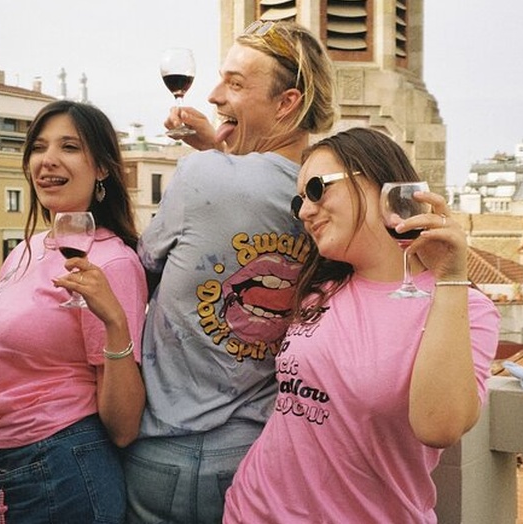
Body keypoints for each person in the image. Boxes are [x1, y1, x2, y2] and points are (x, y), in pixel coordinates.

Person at [222, 127, 501, 523]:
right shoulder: (320, 288)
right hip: (252, 511)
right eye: (298, 200)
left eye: (317, 189)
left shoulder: (465, 307)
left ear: (380, 182)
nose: (304, 211)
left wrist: (450, 277)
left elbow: (439, 427)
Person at [123, 20, 337, 524]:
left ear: (287, 103)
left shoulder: (202, 173)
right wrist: (220, 151)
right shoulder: (332, 198)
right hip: (260, 458)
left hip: (164, 452)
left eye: (236, 84)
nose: (215, 97)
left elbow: (143, 266)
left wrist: (212, 159)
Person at [0, 100, 147, 523]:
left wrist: (115, 322)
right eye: (39, 147)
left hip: (57, 471)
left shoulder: (110, 262)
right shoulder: (24, 251)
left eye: (70, 147)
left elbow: (123, 425)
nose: (48, 161)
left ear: (102, 168)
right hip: (1, 471)